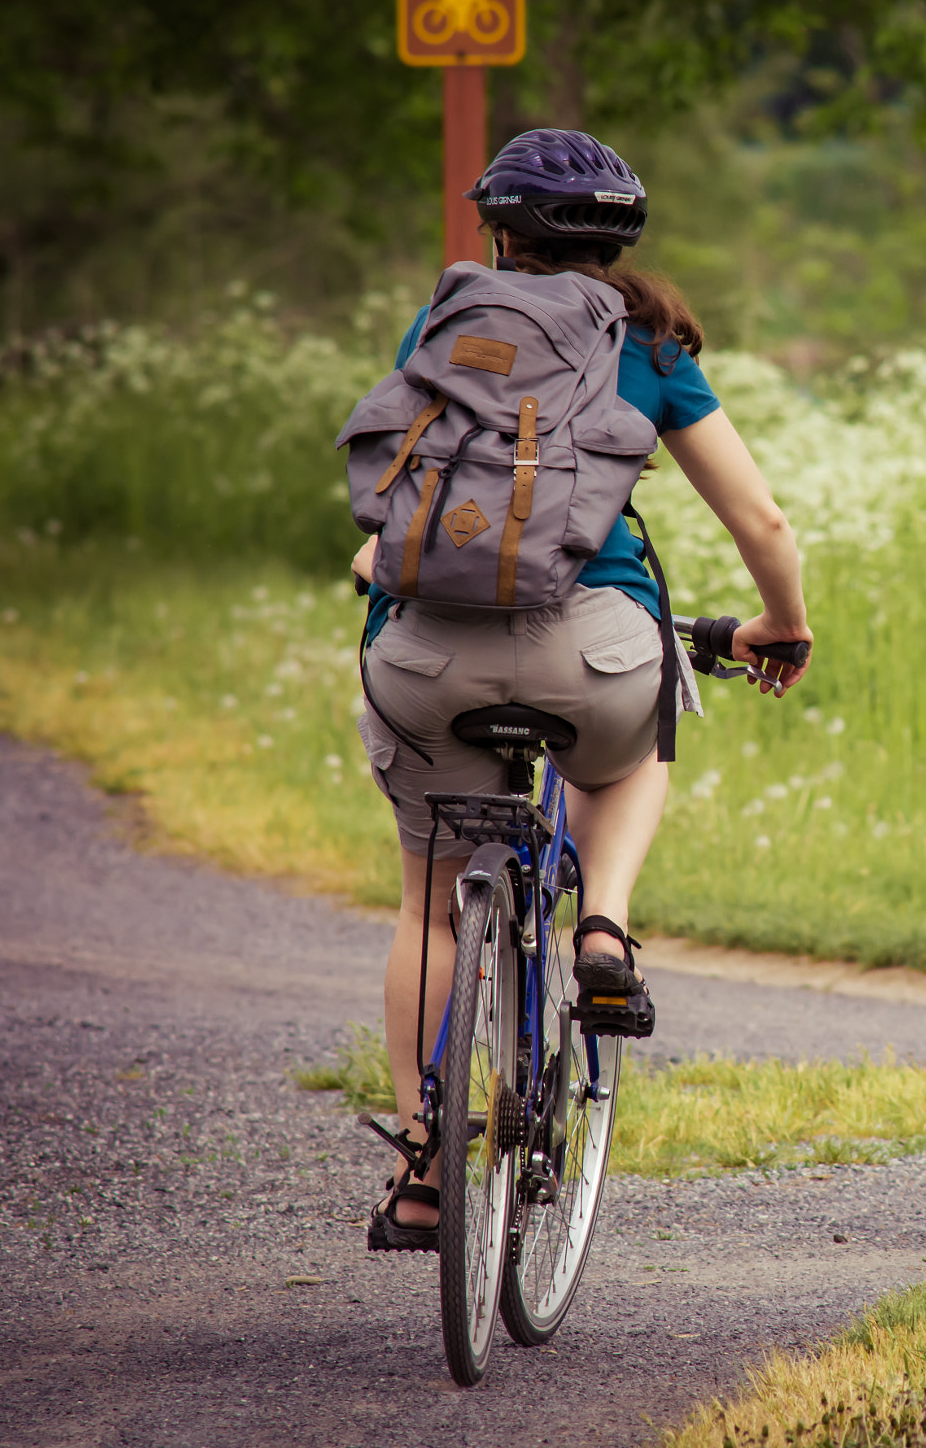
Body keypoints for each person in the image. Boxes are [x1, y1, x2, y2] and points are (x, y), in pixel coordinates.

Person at [349, 129, 812, 1247]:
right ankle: (602, 925)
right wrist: (782, 625)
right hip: (592, 648)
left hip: (425, 654)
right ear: (620, 239)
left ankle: (421, 1166)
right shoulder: (649, 344)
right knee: (632, 749)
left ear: (499, 231)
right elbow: (761, 520)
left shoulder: (448, 321)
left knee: (427, 900)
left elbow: (394, 499)